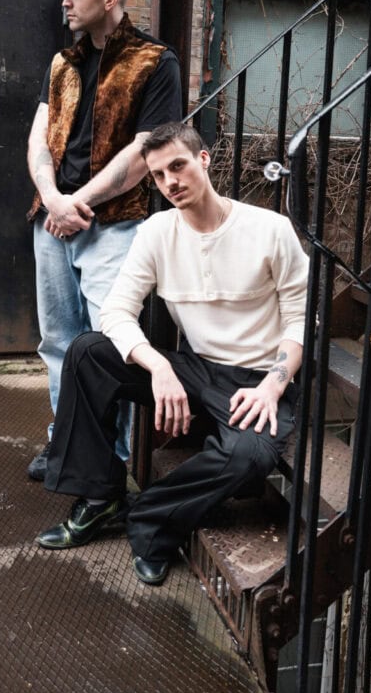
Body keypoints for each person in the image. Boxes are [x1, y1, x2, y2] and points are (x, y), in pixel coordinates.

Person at [34, 121, 309, 586]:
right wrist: (158, 365)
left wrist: (272, 385)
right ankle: (100, 497)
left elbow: (301, 321)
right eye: (159, 175)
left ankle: (153, 520)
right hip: (194, 368)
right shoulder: (157, 232)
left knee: (250, 456)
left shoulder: (270, 230)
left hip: (255, 379)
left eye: (178, 167)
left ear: (203, 160)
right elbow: (116, 312)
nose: (171, 183)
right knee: (87, 352)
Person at [26, 0, 182, 480]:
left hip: (114, 227)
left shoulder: (155, 62)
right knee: (58, 344)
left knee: (109, 347)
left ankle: (110, 460)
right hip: (52, 224)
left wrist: (77, 204)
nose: (65, 1)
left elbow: (144, 155)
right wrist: (52, 197)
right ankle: (63, 444)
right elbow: (37, 140)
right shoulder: (62, 64)